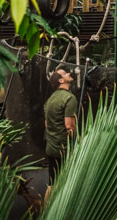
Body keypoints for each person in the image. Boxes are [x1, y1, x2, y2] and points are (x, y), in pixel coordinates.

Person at [43, 68, 77, 198]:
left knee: (52, 183)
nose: (69, 73)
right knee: (67, 183)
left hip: (51, 148)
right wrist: (76, 142)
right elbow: (69, 126)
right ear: (61, 80)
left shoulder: (50, 99)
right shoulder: (69, 98)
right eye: (65, 73)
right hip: (64, 149)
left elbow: (46, 125)